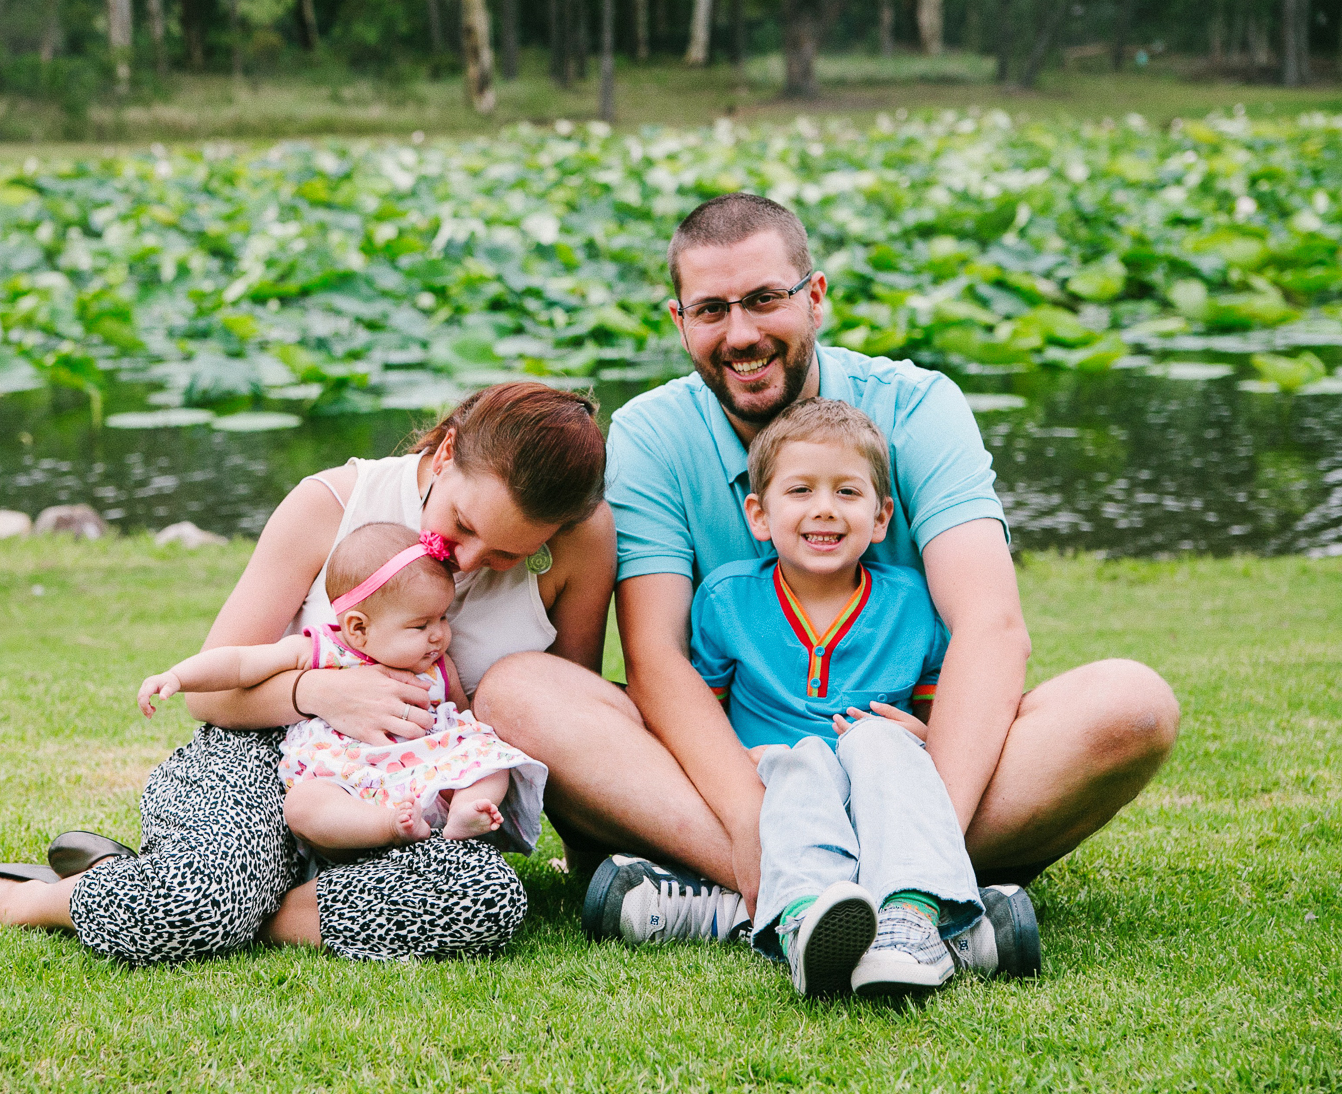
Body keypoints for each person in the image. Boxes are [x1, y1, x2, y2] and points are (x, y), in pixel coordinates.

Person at [478, 193, 1180, 974]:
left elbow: (989, 626)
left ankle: (773, 902)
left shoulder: (918, 406)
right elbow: (656, 656)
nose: (740, 334)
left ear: (813, 298)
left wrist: (915, 825)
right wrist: (751, 820)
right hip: (739, 772)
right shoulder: (649, 433)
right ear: (678, 321)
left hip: (914, 763)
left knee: (1131, 703)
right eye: (711, 309)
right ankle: (837, 895)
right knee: (516, 692)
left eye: (764, 300)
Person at [0, 382, 616, 966]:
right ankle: (26, 900)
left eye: (511, 553)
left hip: (417, 788)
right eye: (463, 527)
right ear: (446, 452)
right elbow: (213, 694)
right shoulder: (332, 502)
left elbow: (560, 719)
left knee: (487, 900)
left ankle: (214, 892)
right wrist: (320, 690)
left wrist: (581, 858)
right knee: (197, 903)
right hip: (267, 756)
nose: (471, 562)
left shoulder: (582, 544)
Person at [690, 397, 986, 999]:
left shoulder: (912, 604)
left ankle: (910, 923)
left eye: (847, 493)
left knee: (881, 739)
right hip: (781, 786)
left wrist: (922, 739)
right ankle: (807, 923)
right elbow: (703, 713)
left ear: (881, 519)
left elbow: (935, 715)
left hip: (881, 785)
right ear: (759, 514)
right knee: (802, 761)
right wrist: (734, 758)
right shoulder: (726, 601)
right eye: (800, 491)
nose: (824, 509)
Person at [136, 521, 547, 850]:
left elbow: (462, 721)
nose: (439, 635)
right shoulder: (323, 650)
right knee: (303, 805)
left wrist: (472, 754)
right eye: (421, 625)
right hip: (348, 779)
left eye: (442, 618)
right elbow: (242, 662)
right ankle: (387, 826)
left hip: (428, 772)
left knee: (490, 757)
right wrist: (178, 675)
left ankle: (463, 812)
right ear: (358, 628)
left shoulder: (439, 666)